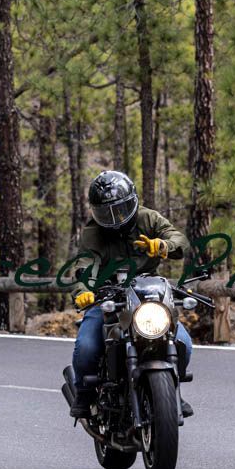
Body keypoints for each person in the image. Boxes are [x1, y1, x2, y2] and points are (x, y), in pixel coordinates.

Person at [68, 170, 194, 419]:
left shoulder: (149, 219)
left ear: (133, 201)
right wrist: (83, 291)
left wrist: (163, 246)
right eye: (107, 213)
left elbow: (179, 239)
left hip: (147, 294)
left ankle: (171, 390)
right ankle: (84, 392)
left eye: (121, 209)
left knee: (183, 343)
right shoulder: (93, 233)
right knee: (87, 347)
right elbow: (84, 266)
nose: (116, 218)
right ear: (96, 212)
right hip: (107, 296)